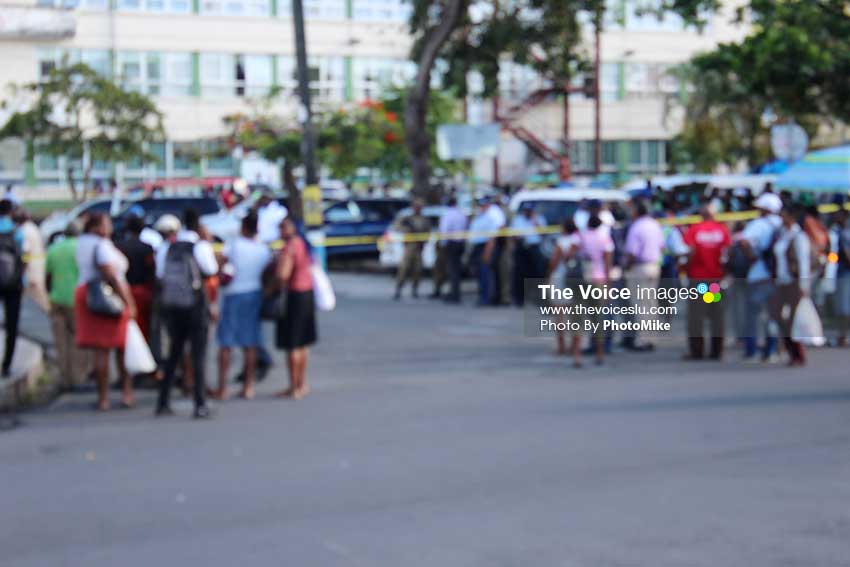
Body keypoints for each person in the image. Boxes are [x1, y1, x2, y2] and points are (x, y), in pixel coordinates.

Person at [155, 209, 218, 418]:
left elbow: (159, 275)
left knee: (174, 353)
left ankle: (163, 401)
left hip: (173, 306)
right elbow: (211, 270)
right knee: (198, 355)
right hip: (195, 306)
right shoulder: (200, 247)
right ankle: (199, 403)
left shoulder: (168, 247)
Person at [74, 212, 136, 411]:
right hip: (108, 297)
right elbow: (110, 273)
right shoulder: (100, 246)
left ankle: (103, 397)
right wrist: (128, 301)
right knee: (119, 346)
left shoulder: (83, 243)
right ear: (95, 227)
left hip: (90, 295)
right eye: (106, 224)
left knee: (101, 349)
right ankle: (125, 393)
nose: (109, 227)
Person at [213, 212, 271, 400]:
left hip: (233, 295)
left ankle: (222, 388)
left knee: (226, 344)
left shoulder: (235, 246)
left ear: (243, 227)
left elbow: (219, 263)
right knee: (250, 343)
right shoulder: (263, 249)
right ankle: (248, 387)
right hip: (254, 294)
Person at [273, 217, 317, 400]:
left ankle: (294, 386)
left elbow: (283, 274)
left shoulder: (289, 246)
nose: (279, 231)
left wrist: (273, 285)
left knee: (293, 344)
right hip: (307, 294)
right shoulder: (303, 243)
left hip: (294, 296)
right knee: (303, 343)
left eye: (282, 227)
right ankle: (301, 383)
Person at [682, 204, 731, 360]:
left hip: (699, 281)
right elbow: (727, 253)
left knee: (697, 315)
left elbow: (690, 251)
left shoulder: (695, 230)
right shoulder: (722, 230)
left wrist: (686, 269)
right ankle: (717, 350)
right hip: (715, 281)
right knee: (717, 314)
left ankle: (697, 351)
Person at [45, 221, 91, 390]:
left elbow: (47, 277)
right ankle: (78, 377)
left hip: (57, 299)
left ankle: (65, 378)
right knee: (78, 340)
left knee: (61, 340)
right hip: (77, 300)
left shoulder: (53, 249)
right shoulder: (81, 249)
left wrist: (50, 294)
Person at [738, 192, 783, 362]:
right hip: (777, 276)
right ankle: (771, 349)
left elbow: (743, 242)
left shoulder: (759, 224)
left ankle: (751, 350)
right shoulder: (782, 224)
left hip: (758, 275)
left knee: (753, 315)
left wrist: (752, 258)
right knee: (773, 315)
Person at [768, 205, 812, 366]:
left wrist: (804, 284)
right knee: (779, 316)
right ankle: (789, 347)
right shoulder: (782, 235)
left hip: (793, 283)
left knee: (793, 319)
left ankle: (797, 352)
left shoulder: (799, 236)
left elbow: (803, 262)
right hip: (782, 282)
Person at [622, 199, 665, 351]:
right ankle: (652, 338)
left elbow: (632, 252)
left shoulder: (636, 227)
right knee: (651, 304)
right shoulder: (655, 225)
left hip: (640, 268)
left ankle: (643, 340)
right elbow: (662, 246)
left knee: (641, 306)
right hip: (654, 266)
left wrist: (626, 267)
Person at [578, 214, 615, 365]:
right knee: (599, 317)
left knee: (586, 315)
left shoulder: (583, 237)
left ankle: (587, 346)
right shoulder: (604, 238)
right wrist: (608, 282)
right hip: (599, 279)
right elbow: (607, 261)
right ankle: (600, 351)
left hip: (585, 278)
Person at [547, 219, 581, 364]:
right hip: (576, 279)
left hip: (561, 278)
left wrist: (547, 276)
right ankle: (575, 346)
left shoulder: (562, 242)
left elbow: (554, 262)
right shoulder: (579, 241)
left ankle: (561, 345)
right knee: (575, 315)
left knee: (559, 314)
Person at [0, 200, 25, 378]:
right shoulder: (17, 232)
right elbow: (24, 258)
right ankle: (6, 365)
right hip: (14, 285)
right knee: (12, 326)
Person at [510, 202, 546, 306]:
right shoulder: (518, 219)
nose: (527, 212)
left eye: (529, 211)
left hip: (534, 248)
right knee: (519, 274)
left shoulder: (539, 219)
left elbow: (543, 233)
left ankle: (538, 299)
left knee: (536, 274)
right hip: (522, 248)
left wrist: (535, 221)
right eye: (526, 210)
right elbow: (513, 234)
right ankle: (519, 299)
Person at [14, 208, 50, 312]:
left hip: (32, 269)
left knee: (41, 298)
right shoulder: (32, 227)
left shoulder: (24, 231)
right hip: (38, 265)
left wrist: (22, 270)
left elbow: (26, 252)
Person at [469, 197, 503, 306]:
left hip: (486, 247)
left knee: (485, 273)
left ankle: (486, 298)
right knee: (480, 273)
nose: (482, 207)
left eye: (483, 205)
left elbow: (492, 237)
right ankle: (484, 297)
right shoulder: (482, 215)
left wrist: (487, 252)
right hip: (478, 246)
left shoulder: (492, 215)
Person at [394, 200, 431, 300]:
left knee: (417, 270)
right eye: (416, 206)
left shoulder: (424, 220)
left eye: (419, 207)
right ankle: (398, 289)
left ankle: (415, 289)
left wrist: (424, 241)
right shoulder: (407, 219)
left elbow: (428, 232)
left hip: (419, 248)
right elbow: (397, 227)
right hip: (409, 247)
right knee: (403, 269)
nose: (418, 208)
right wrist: (406, 230)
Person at [437, 197, 467, 304]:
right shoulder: (461, 214)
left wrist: (443, 245)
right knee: (456, 270)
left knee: (452, 270)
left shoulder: (447, 215)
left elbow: (444, 230)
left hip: (451, 244)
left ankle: (454, 294)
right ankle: (455, 292)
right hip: (460, 243)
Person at [834, 209, 850, 346]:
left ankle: (843, 336)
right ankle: (842, 336)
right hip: (843, 272)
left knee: (844, 307)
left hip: (845, 273)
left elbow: (846, 254)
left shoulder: (844, 233)